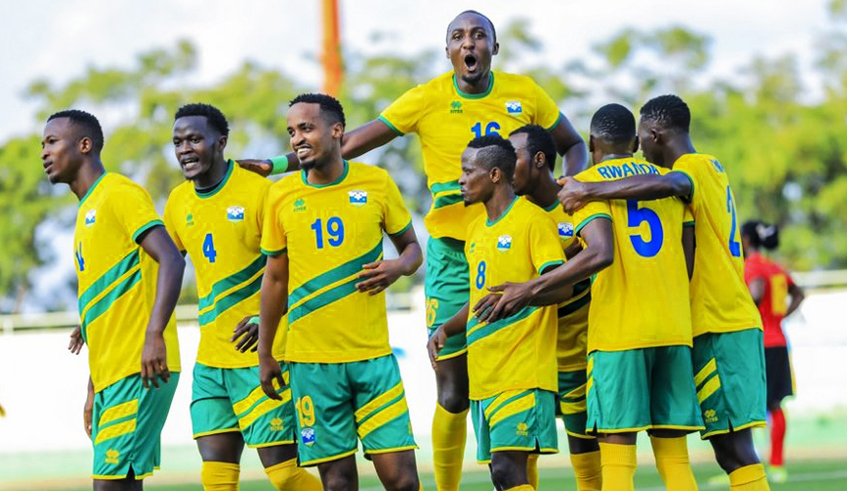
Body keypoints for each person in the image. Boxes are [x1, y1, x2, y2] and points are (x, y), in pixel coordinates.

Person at [239, 12, 587, 489]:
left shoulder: (525, 93)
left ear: (494, 47)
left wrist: (573, 191)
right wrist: (282, 163)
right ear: (447, 51)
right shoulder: (426, 98)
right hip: (449, 254)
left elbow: (571, 145)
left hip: (513, 246)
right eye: (458, 37)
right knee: (453, 389)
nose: (469, 44)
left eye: (478, 35)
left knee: (516, 376)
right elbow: (354, 140)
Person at [477, 104, 703, 491]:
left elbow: (599, 251)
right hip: (674, 329)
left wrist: (530, 287)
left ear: (593, 142)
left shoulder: (583, 186)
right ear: (634, 143)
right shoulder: (666, 180)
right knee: (675, 460)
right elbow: (687, 255)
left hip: (618, 334)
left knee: (616, 461)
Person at [558, 95, 770, 491]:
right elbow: (685, 245)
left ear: (653, 135)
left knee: (728, 451)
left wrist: (588, 191)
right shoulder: (698, 177)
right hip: (685, 327)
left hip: (711, 322)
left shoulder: (686, 171)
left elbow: (668, 187)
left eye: (645, 136)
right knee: (709, 453)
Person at [257, 93, 424, 491]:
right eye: (292, 131)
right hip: (311, 365)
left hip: (373, 361)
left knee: (404, 483)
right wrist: (266, 352)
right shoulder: (280, 195)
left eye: (307, 128)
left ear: (336, 130)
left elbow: (413, 250)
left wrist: (398, 267)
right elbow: (275, 280)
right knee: (337, 484)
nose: (297, 138)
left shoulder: (377, 183)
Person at [162, 103, 322, 491]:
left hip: (263, 355)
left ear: (221, 142)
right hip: (210, 363)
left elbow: (302, 269)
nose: (185, 149)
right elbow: (160, 270)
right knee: (216, 480)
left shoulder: (261, 193)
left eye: (195, 139)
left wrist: (263, 321)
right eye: (178, 141)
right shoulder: (178, 202)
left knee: (284, 475)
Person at [43, 109, 184, 490]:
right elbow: (109, 312)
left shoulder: (118, 193)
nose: (44, 152)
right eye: (43, 144)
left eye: (52, 141)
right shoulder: (85, 211)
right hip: (112, 375)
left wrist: (155, 335)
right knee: (118, 484)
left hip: (140, 367)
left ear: (84, 145)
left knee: (110, 486)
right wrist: (93, 389)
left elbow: (171, 257)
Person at [428, 135, 566, 491]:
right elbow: (479, 298)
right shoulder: (475, 229)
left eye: (466, 170)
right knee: (501, 476)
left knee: (508, 469)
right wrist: (446, 329)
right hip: (485, 374)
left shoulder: (532, 220)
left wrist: (523, 296)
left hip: (523, 370)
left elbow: (561, 286)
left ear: (493, 175)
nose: (460, 179)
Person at [508, 124, 601, 491]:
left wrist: (569, 259)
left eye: (512, 155)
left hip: (578, 353)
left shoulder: (577, 203)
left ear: (539, 159)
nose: (503, 164)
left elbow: (601, 256)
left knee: (584, 447)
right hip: (531, 358)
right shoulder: (512, 215)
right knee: (520, 450)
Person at [741, 221, 804, 483]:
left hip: (758, 343)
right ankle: (777, 464)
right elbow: (799, 294)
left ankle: (744, 466)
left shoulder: (753, 265)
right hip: (778, 340)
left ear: (745, 239)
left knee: (747, 404)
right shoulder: (776, 268)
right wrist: (780, 318)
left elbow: (755, 292)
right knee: (775, 404)